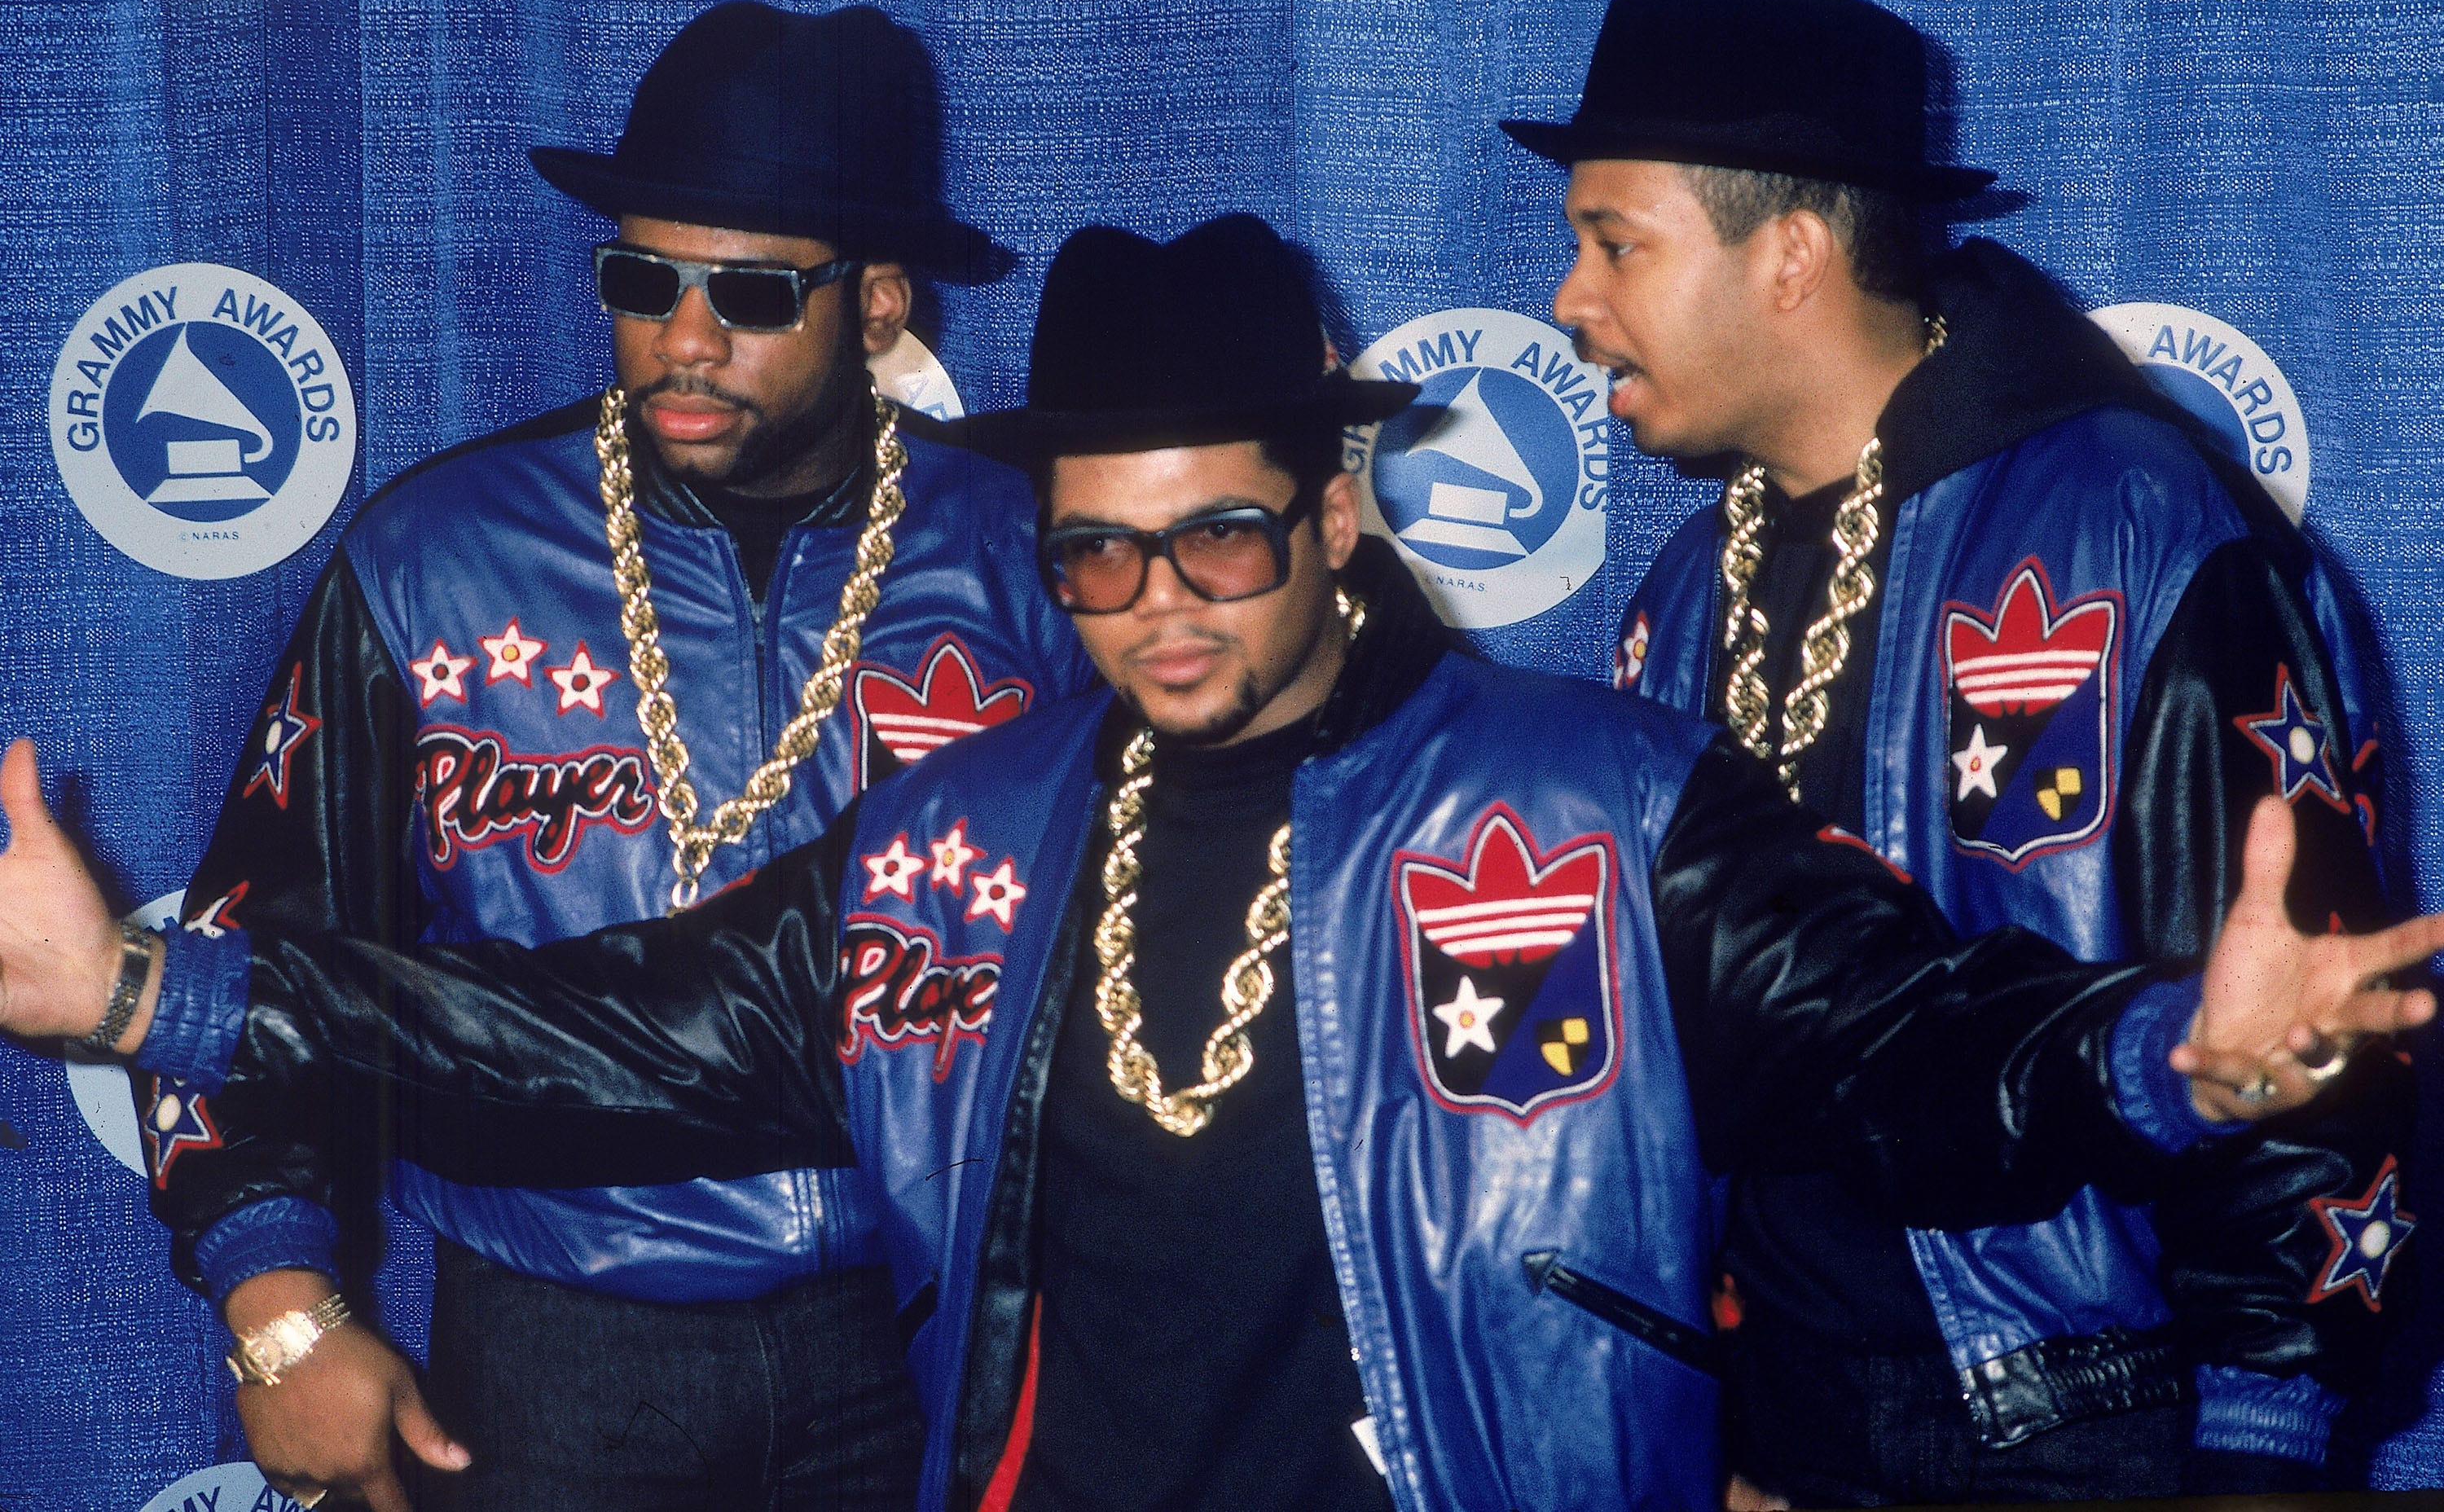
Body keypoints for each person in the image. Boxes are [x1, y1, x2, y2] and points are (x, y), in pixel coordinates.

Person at [1, 213, 2432, 1512]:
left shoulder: (1591, 799)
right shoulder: (956, 840)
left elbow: (1919, 1046)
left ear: (1343, 514)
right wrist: (147, 997)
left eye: (1222, 542)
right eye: (1091, 561)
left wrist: (2179, 1064)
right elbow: (595, 1025)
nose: (1156, 612)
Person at [143, 1, 1094, 1511]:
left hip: (929, 1320)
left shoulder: (1038, 557)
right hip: (553, 1346)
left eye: (755, 293)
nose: (687, 338)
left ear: (884, 304)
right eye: (643, 279)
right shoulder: (436, 559)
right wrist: (274, 1302)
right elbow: (250, 945)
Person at [1505, 0, 2415, 1502]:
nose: (1569, 302)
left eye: (1616, 244)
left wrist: (2267, 1444)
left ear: (1790, 252)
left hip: (2079, 1422)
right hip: (1775, 1428)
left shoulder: (2131, 522)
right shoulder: (1680, 595)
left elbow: (2310, 1010)